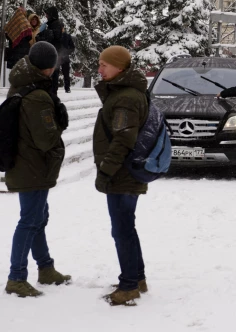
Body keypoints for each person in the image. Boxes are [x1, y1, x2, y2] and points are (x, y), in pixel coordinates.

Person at [4, 42, 71, 298]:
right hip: (32, 166)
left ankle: (45, 268)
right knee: (30, 221)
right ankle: (16, 277)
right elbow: (46, 139)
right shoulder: (38, 96)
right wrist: (59, 123)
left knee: (38, 218)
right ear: (50, 67)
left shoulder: (24, 86)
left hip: (27, 164)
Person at [93, 46, 150, 306]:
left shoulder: (126, 97)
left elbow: (123, 139)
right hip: (125, 171)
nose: (99, 69)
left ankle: (129, 287)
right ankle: (136, 278)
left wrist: (106, 170)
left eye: (105, 65)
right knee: (127, 226)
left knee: (122, 230)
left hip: (122, 173)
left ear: (120, 67)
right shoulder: (123, 93)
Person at [37, 6, 64, 95]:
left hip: (53, 54)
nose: (46, 16)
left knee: (52, 76)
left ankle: (51, 94)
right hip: (50, 54)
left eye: (47, 14)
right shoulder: (50, 24)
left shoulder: (55, 24)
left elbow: (52, 37)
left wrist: (42, 34)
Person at [59, 26, 75, 93]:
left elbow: (72, 47)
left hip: (65, 57)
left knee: (66, 74)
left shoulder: (67, 36)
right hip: (56, 57)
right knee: (54, 73)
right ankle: (53, 88)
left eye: (61, 28)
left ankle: (67, 88)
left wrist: (66, 52)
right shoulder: (53, 35)